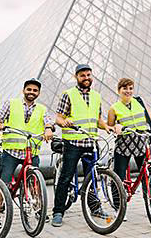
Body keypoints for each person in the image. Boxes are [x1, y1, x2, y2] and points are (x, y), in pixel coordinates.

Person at [51, 64, 112, 227]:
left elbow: (98, 120)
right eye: (82, 75)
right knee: (65, 177)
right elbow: (58, 118)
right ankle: (58, 212)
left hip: (91, 143)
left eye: (88, 75)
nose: (86, 78)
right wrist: (65, 121)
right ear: (76, 77)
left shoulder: (97, 96)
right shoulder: (68, 94)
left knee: (93, 177)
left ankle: (95, 208)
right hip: (73, 143)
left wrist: (106, 127)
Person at [107, 78, 151, 220]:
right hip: (124, 145)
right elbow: (110, 127)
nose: (128, 91)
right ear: (118, 91)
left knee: (146, 176)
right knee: (118, 176)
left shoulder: (139, 103)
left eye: (130, 88)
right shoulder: (113, 108)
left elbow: (149, 120)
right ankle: (118, 208)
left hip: (141, 143)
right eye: (125, 88)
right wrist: (115, 128)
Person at [0, 78, 54, 226]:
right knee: (3, 181)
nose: (32, 92)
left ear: (38, 93)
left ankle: (38, 209)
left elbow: (48, 122)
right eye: (29, 89)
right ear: (23, 90)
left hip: (31, 152)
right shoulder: (11, 103)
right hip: (11, 151)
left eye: (35, 90)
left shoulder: (42, 109)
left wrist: (48, 129)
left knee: (35, 183)